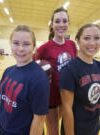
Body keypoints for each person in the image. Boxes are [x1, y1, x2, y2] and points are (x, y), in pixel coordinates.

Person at [0, 25, 50, 135]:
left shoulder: (39, 78)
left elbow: (39, 120)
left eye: (26, 44)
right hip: (4, 131)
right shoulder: (8, 71)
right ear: (10, 44)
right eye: (16, 43)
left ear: (34, 47)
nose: (20, 49)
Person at [60, 23, 100, 135]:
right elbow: (67, 110)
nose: (92, 43)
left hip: (94, 128)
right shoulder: (69, 70)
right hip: (75, 130)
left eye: (96, 38)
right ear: (78, 41)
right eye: (86, 38)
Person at [34, 7, 77, 135]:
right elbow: (32, 68)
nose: (61, 25)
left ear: (68, 24)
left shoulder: (72, 45)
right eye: (57, 21)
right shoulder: (44, 49)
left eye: (64, 21)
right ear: (52, 24)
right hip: (50, 97)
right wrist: (41, 78)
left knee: (66, 129)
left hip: (67, 96)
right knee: (53, 131)